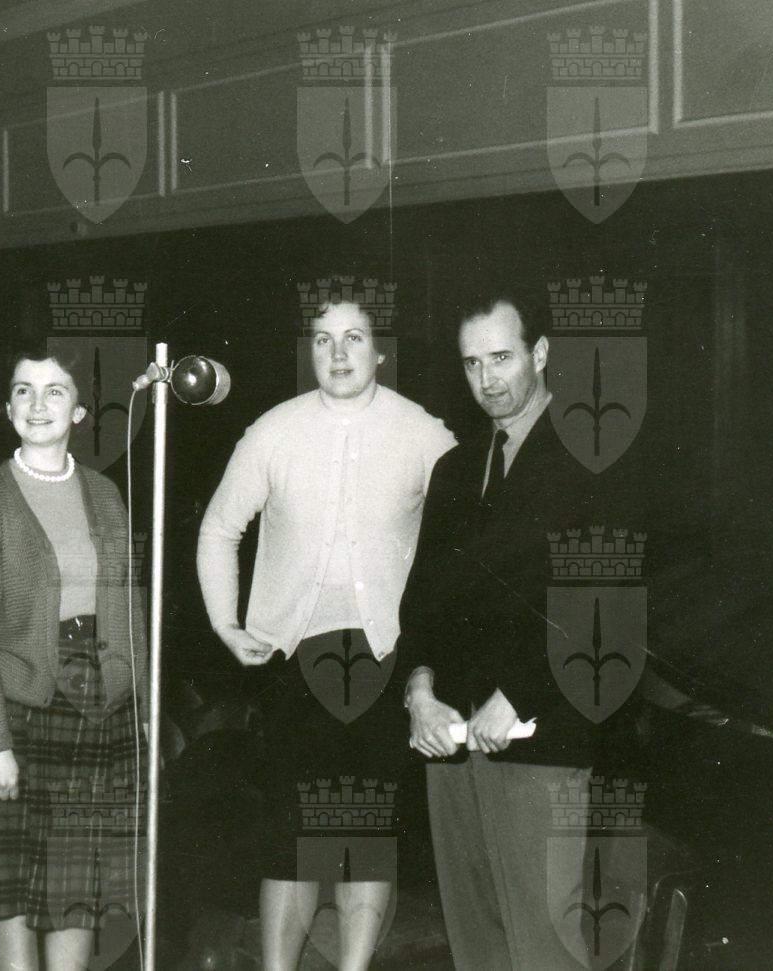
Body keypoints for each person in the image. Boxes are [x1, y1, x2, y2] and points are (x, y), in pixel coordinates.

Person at [197, 295, 455, 971]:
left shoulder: (424, 433)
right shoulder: (271, 432)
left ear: (379, 351)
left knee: (365, 841)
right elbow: (219, 528)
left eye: (354, 338)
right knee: (291, 843)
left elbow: (464, 539)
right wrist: (227, 624)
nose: (338, 353)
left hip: (385, 662)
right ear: (308, 350)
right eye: (322, 339)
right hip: (292, 662)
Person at [397, 287, 601, 970]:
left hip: (541, 736)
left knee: (543, 947)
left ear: (540, 353)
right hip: (452, 742)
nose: (486, 379)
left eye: (502, 358)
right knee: (476, 944)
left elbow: (604, 607)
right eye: (471, 363)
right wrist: (419, 691)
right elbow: (422, 599)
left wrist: (519, 692)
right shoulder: (455, 470)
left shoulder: (590, 456)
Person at [0, 349, 147, 971]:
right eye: (23, 391)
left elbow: (129, 606)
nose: (37, 405)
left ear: (79, 412)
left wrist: (139, 705)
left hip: (98, 710)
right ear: (7, 408)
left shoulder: (106, 494)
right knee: (8, 885)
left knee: (77, 886)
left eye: (55, 391)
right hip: (17, 710)